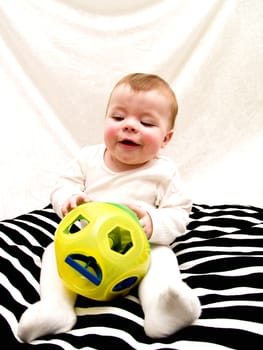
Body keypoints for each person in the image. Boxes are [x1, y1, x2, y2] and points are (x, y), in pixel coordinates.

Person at [17, 73, 201, 342]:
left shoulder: (164, 173)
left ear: (165, 138)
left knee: (163, 259)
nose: (129, 126)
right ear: (105, 121)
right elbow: (61, 186)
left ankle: (161, 309)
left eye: (146, 122)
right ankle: (56, 307)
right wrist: (69, 199)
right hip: (86, 246)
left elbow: (180, 213)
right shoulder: (87, 159)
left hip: (140, 250)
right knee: (53, 252)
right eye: (118, 118)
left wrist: (154, 222)